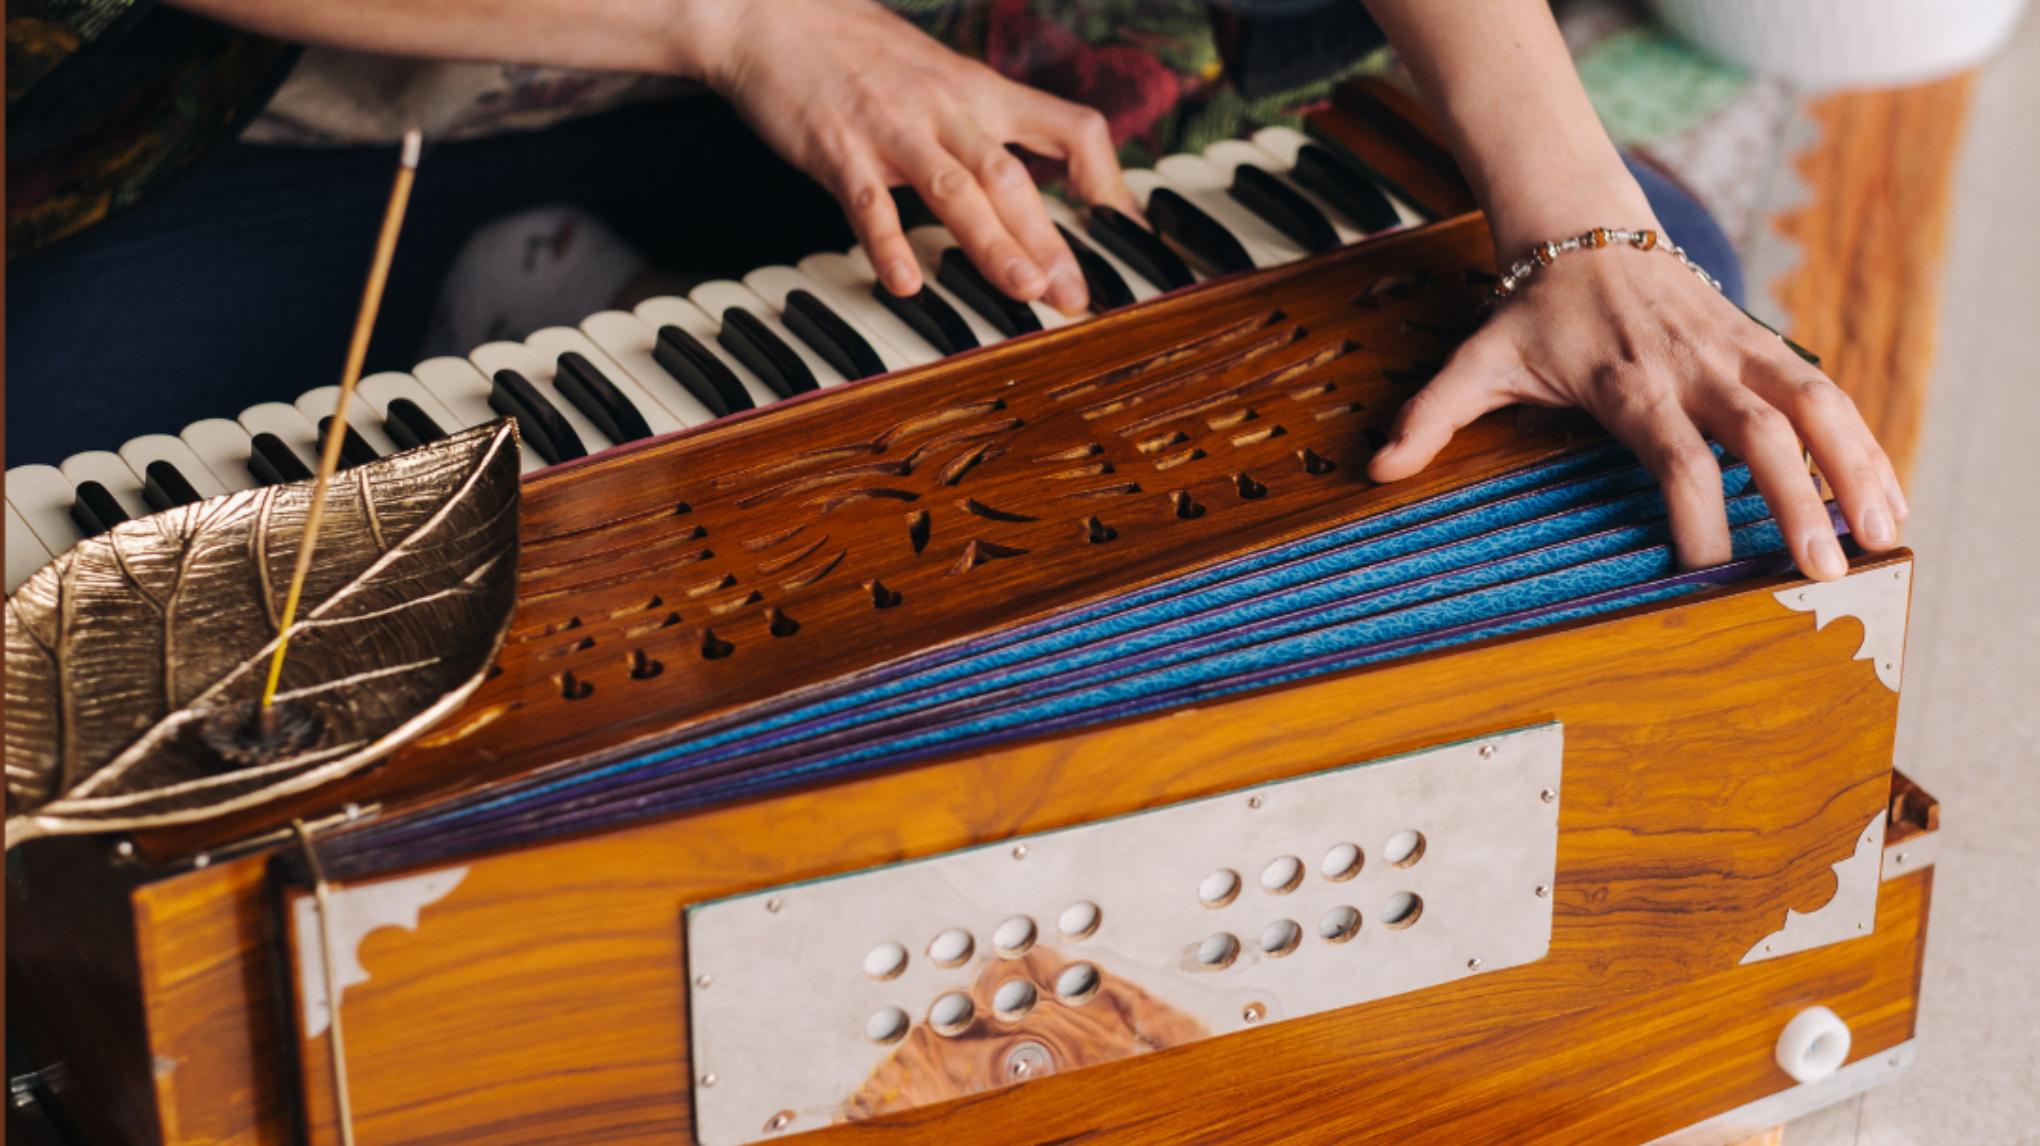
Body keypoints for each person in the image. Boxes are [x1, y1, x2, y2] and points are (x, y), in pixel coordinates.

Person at [5, 0, 1903, 581]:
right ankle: (611, 312)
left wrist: (1585, 238)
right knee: (64, 553)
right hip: (306, 122)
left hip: (942, 61)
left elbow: (1590, 248)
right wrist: (741, 22)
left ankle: (631, 317)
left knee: (1645, 392)